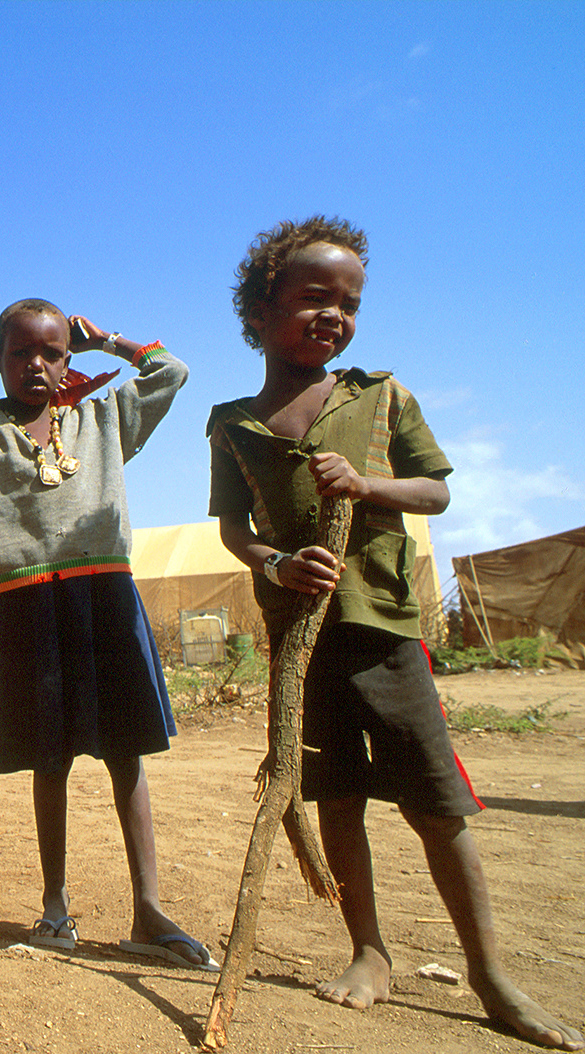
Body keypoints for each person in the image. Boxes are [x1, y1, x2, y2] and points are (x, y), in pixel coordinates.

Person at [208, 216, 580, 1048]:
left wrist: (367, 483)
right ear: (262, 310)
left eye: (350, 302)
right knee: (336, 798)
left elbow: (437, 493)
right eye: (314, 298)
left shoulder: (379, 397)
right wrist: (273, 567)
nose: (334, 315)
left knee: (436, 804)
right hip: (303, 645)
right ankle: (368, 951)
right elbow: (234, 528)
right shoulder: (231, 422)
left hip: (384, 631)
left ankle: (490, 976)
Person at [0, 299, 215, 968]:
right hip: (24, 610)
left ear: (68, 362)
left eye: (51, 352)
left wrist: (106, 341)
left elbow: (171, 372)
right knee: (50, 760)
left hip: (103, 598)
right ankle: (54, 907)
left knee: (125, 753)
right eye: (20, 353)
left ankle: (149, 911)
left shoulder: (101, 419)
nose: (36, 364)